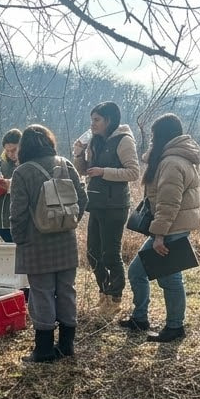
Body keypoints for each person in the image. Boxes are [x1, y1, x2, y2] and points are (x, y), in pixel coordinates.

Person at [118, 113, 200, 342]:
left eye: (154, 135)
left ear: (162, 136)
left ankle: (175, 327)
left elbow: (168, 203)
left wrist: (158, 235)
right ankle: (140, 318)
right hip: (171, 226)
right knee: (137, 271)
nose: (152, 139)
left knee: (169, 278)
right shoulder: (171, 158)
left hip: (171, 228)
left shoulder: (172, 162)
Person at [9, 124, 88, 363]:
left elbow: (18, 214)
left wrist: (20, 240)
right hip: (66, 240)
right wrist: (69, 223)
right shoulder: (65, 164)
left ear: (24, 147)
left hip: (35, 243)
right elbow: (82, 199)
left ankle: (43, 350)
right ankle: (66, 345)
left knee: (41, 293)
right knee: (66, 291)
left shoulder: (22, 172)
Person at [72, 101, 140, 316]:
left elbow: (133, 172)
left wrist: (104, 172)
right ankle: (104, 293)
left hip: (116, 205)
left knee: (111, 254)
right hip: (97, 203)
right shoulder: (95, 140)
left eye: (97, 120)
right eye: (92, 120)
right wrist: (78, 154)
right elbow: (84, 172)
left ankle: (115, 298)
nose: (92, 124)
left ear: (109, 120)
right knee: (92, 253)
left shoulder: (124, 140)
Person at [0, 128, 21, 242]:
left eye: (14, 150)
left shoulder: (28, 165)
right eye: (7, 150)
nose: (10, 153)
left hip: (19, 223)